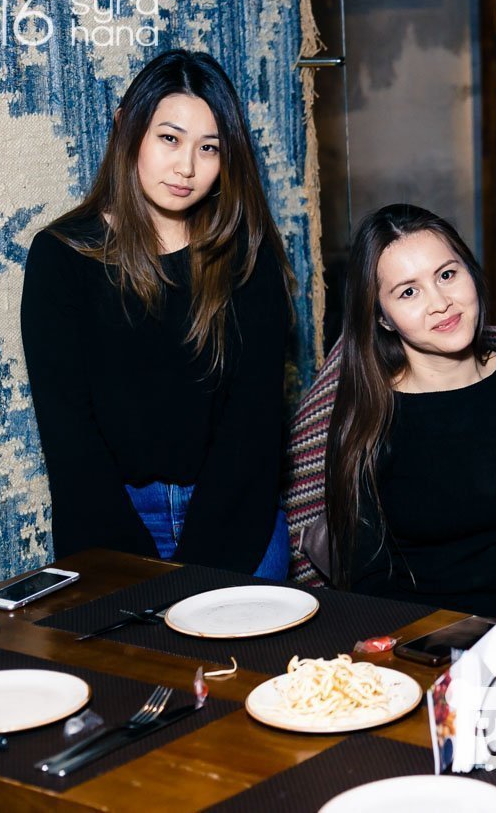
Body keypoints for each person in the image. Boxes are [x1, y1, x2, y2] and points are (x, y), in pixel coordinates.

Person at [22, 49, 295, 577]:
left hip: (237, 520)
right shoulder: (62, 257)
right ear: (127, 127)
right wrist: (129, 571)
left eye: (209, 148)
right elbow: (69, 434)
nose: (187, 167)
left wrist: (199, 577)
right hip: (109, 521)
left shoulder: (247, 256)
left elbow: (253, 427)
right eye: (170, 138)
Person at [318, 204, 496, 619]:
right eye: (408, 292)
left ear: (470, 272)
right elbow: (364, 575)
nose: (441, 303)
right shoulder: (369, 415)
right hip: (415, 633)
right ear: (383, 319)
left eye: (446, 275)